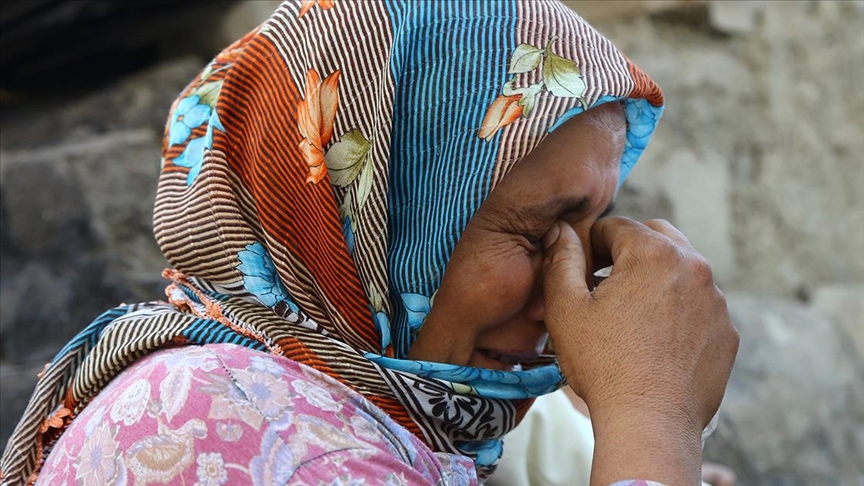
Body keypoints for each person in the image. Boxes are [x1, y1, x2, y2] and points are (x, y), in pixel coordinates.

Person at [0, 1, 738, 485]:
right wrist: (653, 417)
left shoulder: (381, 427)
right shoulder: (237, 426)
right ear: (369, 218)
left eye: (590, 240)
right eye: (539, 232)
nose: (568, 301)